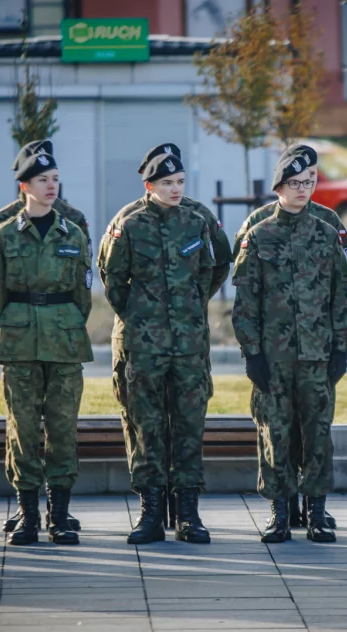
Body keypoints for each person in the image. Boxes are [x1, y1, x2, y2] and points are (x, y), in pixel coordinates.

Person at [97, 142, 231, 529]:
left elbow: (216, 266)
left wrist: (190, 304)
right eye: (167, 182)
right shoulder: (129, 222)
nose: (176, 189)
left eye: (180, 181)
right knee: (145, 425)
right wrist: (144, 313)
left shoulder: (198, 218)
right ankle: (151, 510)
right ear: (148, 184)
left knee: (189, 425)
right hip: (143, 344)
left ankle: (188, 512)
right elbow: (112, 279)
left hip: (189, 343)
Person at [232, 154, 347, 543]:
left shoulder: (326, 233)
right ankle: (279, 513)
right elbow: (246, 303)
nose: (303, 189)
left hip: (317, 355)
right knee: (275, 434)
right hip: (274, 355)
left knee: (318, 434)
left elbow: (340, 297)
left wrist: (340, 348)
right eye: (295, 183)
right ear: (279, 188)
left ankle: (317, 512)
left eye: (309, 182)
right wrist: (252, 353)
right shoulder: (259, 235)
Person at [0, 152, 92, 546]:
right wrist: (12, 326)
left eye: (55, 178)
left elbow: (82, 294)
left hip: (64, 340)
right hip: (19, 339)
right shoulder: (4, 234)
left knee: (63, 429)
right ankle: (28, 516)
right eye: (43, 179)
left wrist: (63, 321)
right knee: (23, 430)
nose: (51, 185)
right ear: (24, 186)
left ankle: (59, 517)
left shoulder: (74, 234)